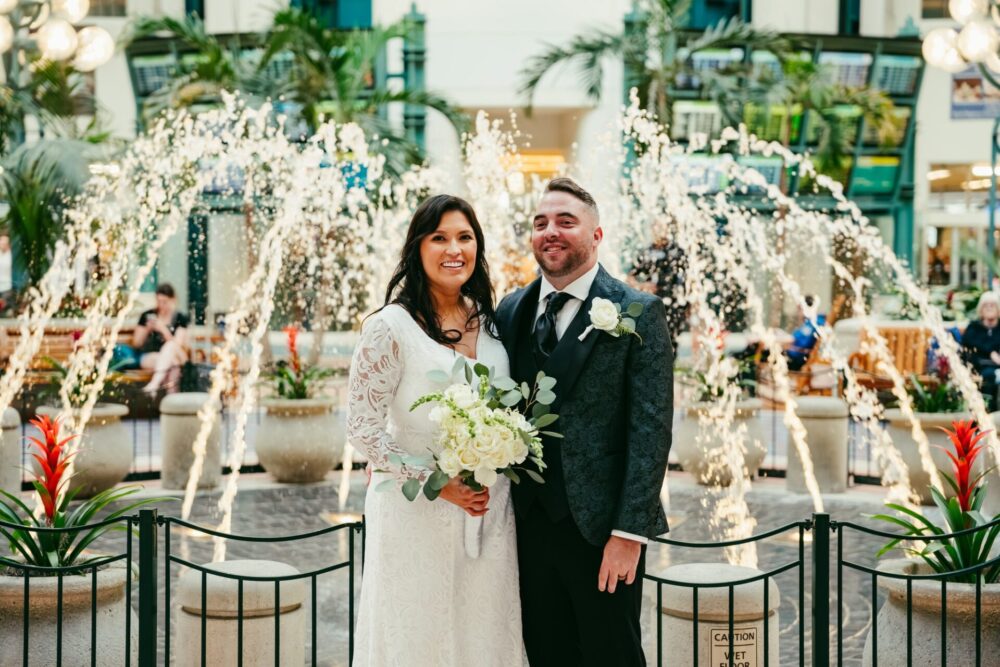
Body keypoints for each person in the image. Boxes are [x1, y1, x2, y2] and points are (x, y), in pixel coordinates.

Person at [496, 177, 673, 665]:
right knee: (545, 654)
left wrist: (628, 536)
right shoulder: (510, 309)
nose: (550, 231)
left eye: (565, 222)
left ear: (596, 235)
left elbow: (651, 432)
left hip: (601, 533)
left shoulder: (638, 311)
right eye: (540, 223)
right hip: (525, 528)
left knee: (611, 654)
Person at [346, 195, 522, 666]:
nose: (453, 249)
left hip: (489, 513)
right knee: (419, 639)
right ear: (417, 248)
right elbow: (362, 426)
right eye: (439, 237)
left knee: (484, 634)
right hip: (416, 513)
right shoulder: (391, 327)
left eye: (465, 237)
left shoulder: (491, 321)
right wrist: (436, 484)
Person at [133, 283, 189, 394]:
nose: (161, 305)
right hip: (152, 356)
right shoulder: (147, 315)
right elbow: (136, 343)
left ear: (173, 300)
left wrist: (163, 330)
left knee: (170, 346)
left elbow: (178, 345)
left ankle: (154, 385)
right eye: (159, 301)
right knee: (173, 364)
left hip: (178, 354)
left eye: (165, 302)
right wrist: (147, 329)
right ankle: (172, 399)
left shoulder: (180, 318)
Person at [960, 291, 1000, 407]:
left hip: (997, 367)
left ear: (998, 310)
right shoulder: (974, 327)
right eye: (985, 305)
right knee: (988, 376)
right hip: (979, 367)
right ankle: (988, 413)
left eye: (992, 305)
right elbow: (970, 342)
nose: (989, 308)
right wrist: (991, 352)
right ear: (980, 310)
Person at [0, 233, 14, 316]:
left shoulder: (12, 255)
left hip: (7, 289)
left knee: (7, 313)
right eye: (1, 241)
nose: (3, 244)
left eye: (5, 242)